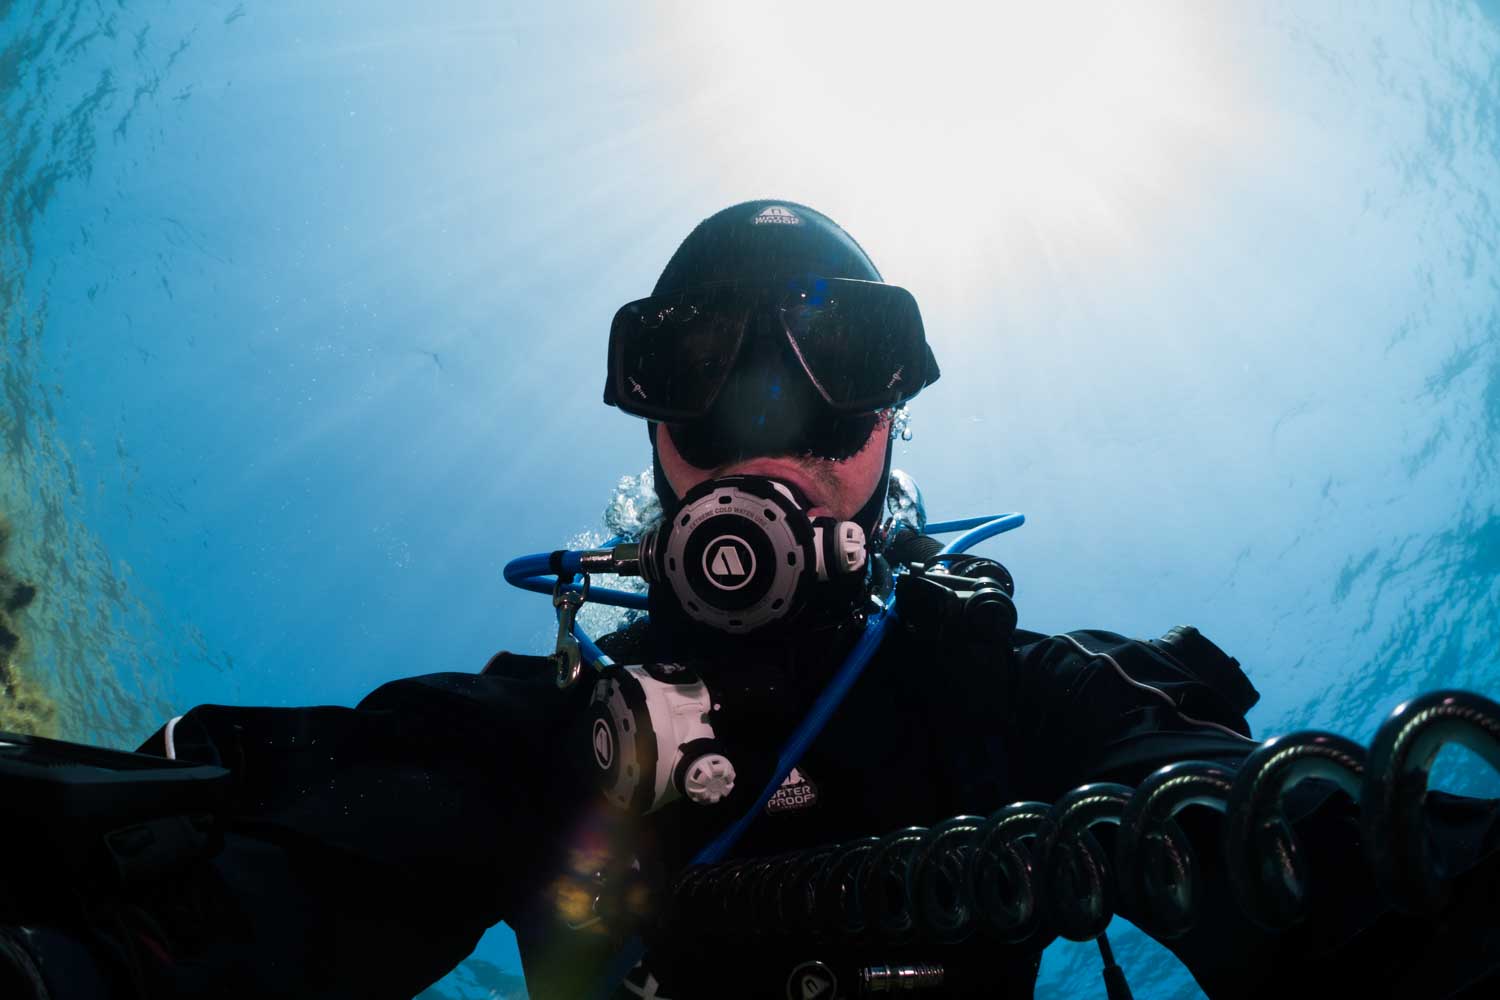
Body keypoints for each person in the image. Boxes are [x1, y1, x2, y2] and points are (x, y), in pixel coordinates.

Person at [3, 200, 1499, 1000]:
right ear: (650, 437)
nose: (774, 424)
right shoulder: (542, 731)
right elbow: (285, 878)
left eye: (840, 367)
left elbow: (1308, 861)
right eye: (704, 371)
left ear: (894, 423)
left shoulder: (1025, 691)